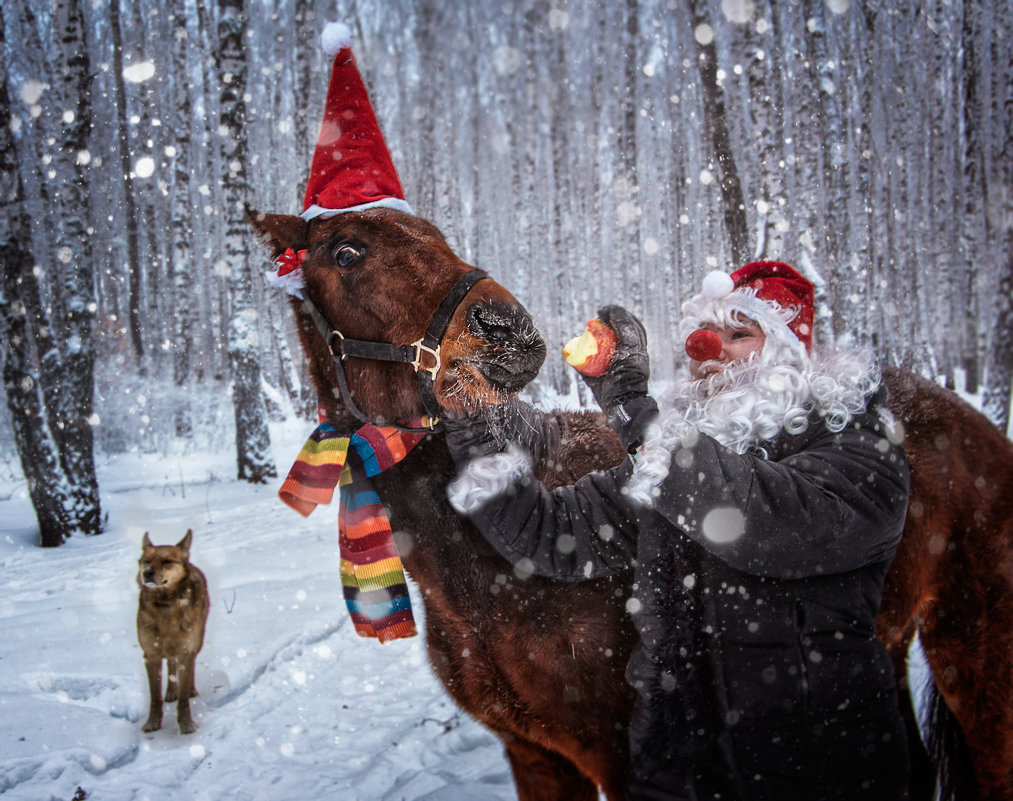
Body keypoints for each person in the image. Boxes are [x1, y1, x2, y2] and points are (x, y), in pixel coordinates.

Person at [443, 261, 912, 800]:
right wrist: (478, 429)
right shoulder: (678, 459)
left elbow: (761, 521)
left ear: (789, 353)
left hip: (819, 770)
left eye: (740, 334)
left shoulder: (857, 444)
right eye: (708, 334)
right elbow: (554, 534)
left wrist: (634, 413)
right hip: (675, 769)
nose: (709, 351)